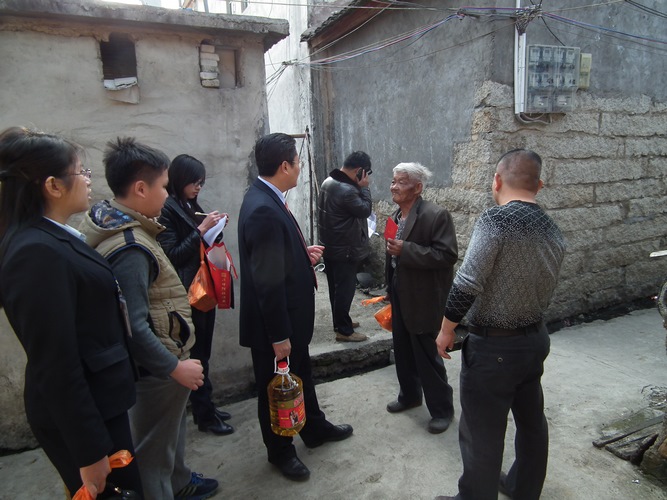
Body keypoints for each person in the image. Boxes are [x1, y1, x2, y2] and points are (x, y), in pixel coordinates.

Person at [0, 127, 143, 498]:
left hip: (99, 402)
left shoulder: (52, 237)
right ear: (53, 186)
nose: (88, 180)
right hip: (86, 416)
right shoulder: (35, 253)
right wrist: (90, 450)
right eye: (82, 172)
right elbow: (55, 362)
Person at [80, 138, 218, 500]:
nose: (166, 194)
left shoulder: (130, 227)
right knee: (153, 454)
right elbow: (135, 326)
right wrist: (174, 367)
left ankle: (180, 482)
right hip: (158, 369)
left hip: (164, 362)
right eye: (163, 186)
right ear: (141, 189)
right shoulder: (130, 246)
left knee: (169, 436)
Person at [435, 149, 566, 500]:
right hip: (535, 340)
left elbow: (467, 282)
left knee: (481, 433)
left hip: (495, 348)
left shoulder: (496, 220)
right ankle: (523, 489)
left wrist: (446, 329)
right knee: (532, 423)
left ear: (496, 180)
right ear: (539, 185)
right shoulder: (553, 228)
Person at [238, 132, 354, 481]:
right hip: (277, 326)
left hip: (291, 321)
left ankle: (314, 428)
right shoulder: (263, 209)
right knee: (275, 388)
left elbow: (274, 260)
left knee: (301, 375)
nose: (301, 168)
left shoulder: (268, 198)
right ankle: (280, 452)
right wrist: (279, 335)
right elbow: (266, 282)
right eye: (298, 162)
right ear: (284, 166)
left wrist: (301, 256)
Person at [157, 154, 234, 436]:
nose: (198, 187)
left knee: (204, 353)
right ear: (179, 180)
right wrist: (202, 230)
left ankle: (207, 408)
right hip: (188, 291)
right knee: (197, 354)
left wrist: (216, 229)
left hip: (203, 288)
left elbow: (203, 242)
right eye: (194, 182)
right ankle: (205, 415)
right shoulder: (168, 208)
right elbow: (173, 254)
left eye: (201, 182)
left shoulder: (188, 204)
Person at [384, 162, 458, 434]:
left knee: (427, 355)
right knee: (402, 349)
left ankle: (442, 410)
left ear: (417, 188)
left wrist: (407, 249)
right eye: (393, 181)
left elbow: (447, 255)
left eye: (401, 182)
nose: (394, 187)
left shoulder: (436, 215)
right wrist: (389, 288)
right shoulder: (396, 215)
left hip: (424, 298)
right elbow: (391, 255)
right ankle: (410, 395)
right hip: (400, 293)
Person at [318, 151, 372, 342]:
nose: (367, 177)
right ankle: (344, 331)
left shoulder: (328, 182)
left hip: (330, 246)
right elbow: (365, 210)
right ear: (359, 171)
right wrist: (364, 188)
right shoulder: (348, 190)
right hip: (345, 249)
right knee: (345, 290)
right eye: (367, 173)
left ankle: (340, 321)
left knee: (335, 288)